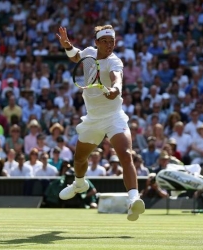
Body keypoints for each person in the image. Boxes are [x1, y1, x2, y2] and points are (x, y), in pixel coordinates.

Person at [56, 25, 145, 221]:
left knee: (126, 154)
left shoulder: (115, 62)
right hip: (93, 120)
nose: (108, 45)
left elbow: (117, 80)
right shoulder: (89, 53)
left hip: (114, 117)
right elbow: (75, 56)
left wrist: (114, 90)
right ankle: (79, 184)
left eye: (111, 42)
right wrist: (67, 45)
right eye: (104, 41)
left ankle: (133, 199)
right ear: (96, 43)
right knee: (79, 160)